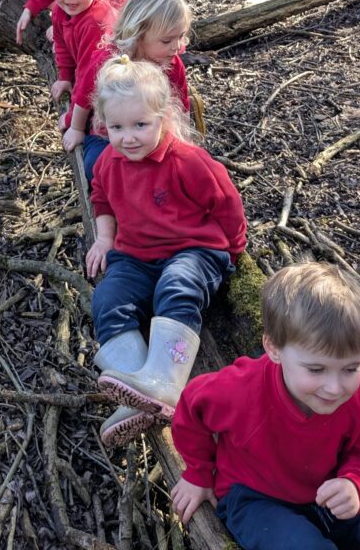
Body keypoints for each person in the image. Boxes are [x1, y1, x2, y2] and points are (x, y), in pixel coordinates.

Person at [170, 262, 360, 550]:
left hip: (326, 492)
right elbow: (190, 406)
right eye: (316, 370)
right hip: (257, 499)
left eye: (350, 368)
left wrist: (356, 484)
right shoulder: (240, 389)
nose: (335, 387)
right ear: (274, 348)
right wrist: (198, 474)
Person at [87, 57, 246, 447]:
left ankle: (164, 383)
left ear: (164, 118)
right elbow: (101, 197)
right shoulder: (109, 161)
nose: (128, 137)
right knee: (108, 298)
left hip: (193, 250)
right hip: (136, 255)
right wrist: (105, 238)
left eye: (140, 125)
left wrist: (235, 251)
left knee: (176, 287)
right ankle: (137, 392)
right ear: (104, 125)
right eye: (117, 127)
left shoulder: (187, 161)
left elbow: (226, 202)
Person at [81, 0, 192, 181]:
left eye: (181, 37)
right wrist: (74, 128)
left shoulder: (172, 64)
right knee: (96, 165)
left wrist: (185, 143)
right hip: (110, 137)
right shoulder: (109, 59)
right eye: (166, 41)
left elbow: (182, 107)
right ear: (138, 35)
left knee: (176, 171)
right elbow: (83, 94)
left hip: (154, 136)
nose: (177, 47)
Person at [49, 0, 115, 153]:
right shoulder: (61, 9)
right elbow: (61, 43)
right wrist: (64, 76)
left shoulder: (96, 21)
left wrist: (75, 124)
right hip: (90, 76)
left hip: (114, 82)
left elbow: (90, 76)